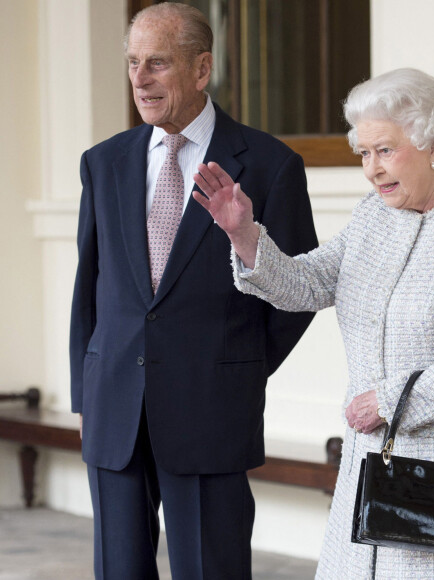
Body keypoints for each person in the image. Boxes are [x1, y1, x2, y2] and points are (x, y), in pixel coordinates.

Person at [193, 68, 434, 579]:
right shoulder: (374, 216)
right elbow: (307, 285)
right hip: (370, 455)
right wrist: (244, 235)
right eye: (363, 154)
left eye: (385, 150)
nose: (372, 170)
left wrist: (388, 400)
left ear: (432, 143)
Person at [69, 3, 317, 579]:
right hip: (115, 412)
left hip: (211, 408)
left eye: (157, 63)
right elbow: (90, 286)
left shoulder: (272, 166)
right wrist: (88, 390)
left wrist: (235, 366)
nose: (139, 78)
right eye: (133, 63)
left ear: (202, 69)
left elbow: (297, 291)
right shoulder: (103, 163)